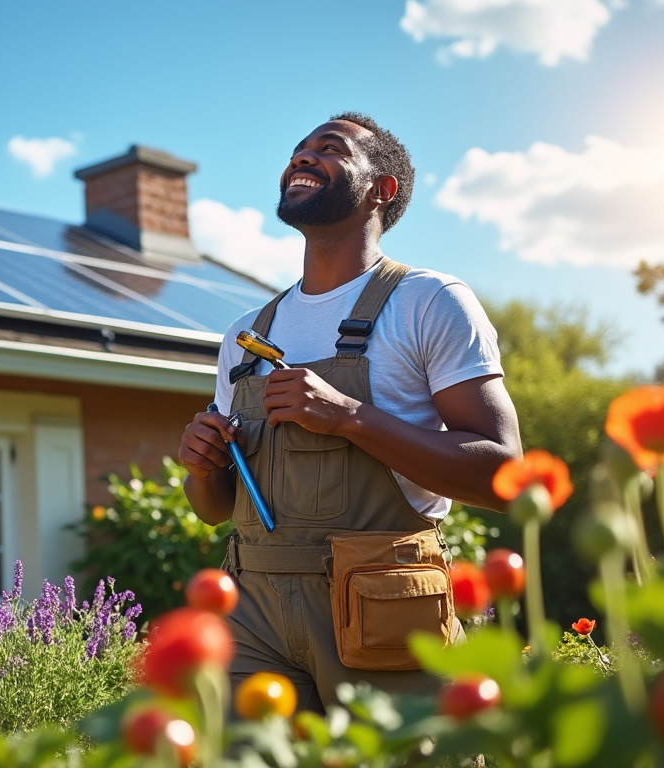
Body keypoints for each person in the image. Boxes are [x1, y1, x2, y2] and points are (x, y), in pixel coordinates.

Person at [178, 112, 522, 714]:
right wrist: (204, 467)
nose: (302, 157)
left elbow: (503, 477)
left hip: (382, 609)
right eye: (298, 150)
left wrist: (349, 418)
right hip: (252, 616)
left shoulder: (430, 302)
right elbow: (214, 511)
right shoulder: (244, 335)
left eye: (329, 149)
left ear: (381, 190)